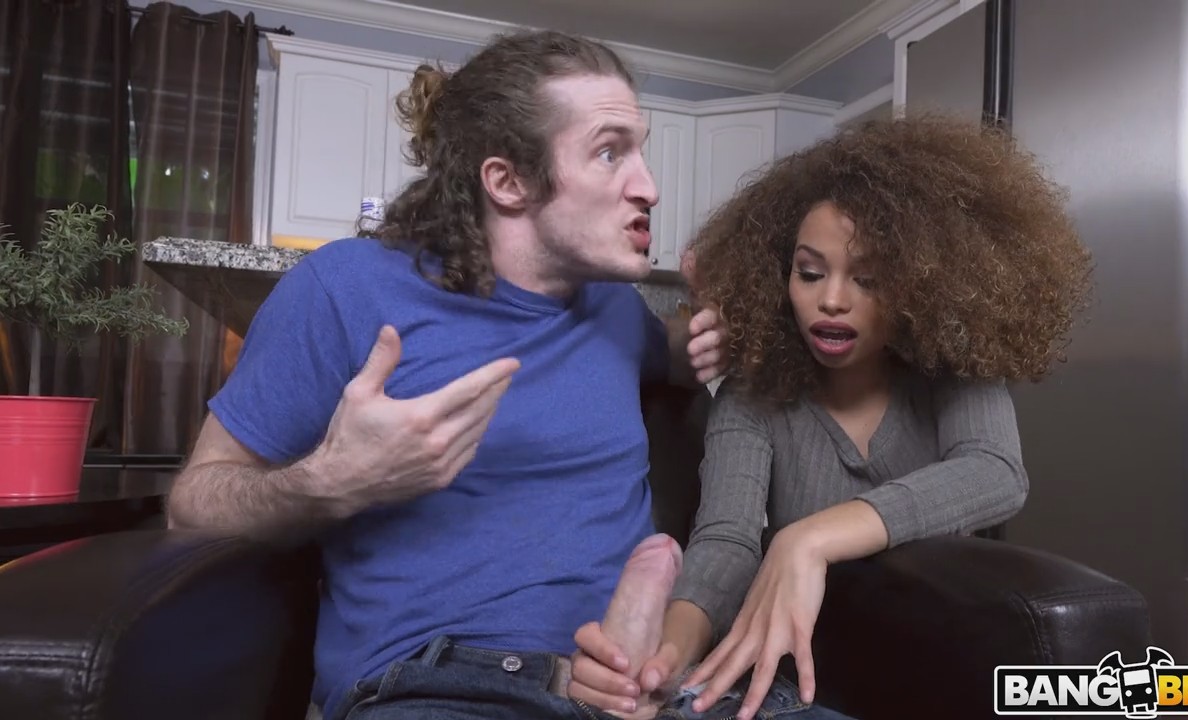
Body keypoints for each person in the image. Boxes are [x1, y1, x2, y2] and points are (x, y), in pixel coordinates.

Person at [165, 29, 730, 720]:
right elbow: (192, 506)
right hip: (443, 688)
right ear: (508, 181)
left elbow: (676, 355)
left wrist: (713, 325)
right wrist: (331, 481)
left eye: (640, 151)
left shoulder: (612, 305)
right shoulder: (346, 288)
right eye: (610, 152)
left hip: (641, 684)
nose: (649, 187)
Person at [568, 113, 1095, 720]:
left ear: (923, 286)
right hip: (805, 681)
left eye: (868, 279)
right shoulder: (752, 394)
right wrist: (665, 658)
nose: (832, 300)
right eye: (810, 273)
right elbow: (726, 540)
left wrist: (809, 539)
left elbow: (995, 472)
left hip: (937, 663)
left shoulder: (952, 373)